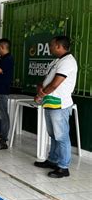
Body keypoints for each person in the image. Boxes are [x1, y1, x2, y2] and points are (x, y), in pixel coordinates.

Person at [33, 36, 77, 178]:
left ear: (58, 46)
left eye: (51, 45)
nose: (49, 48)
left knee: (61, 136)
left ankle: (63, 167)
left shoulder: (68, 62)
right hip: (50, 101)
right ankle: (53, 160)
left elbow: (55, 84)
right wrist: (40, 88)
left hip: (59, 103)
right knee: (53, 134)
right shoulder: (57, 61)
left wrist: (41, 94)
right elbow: (47, 80)